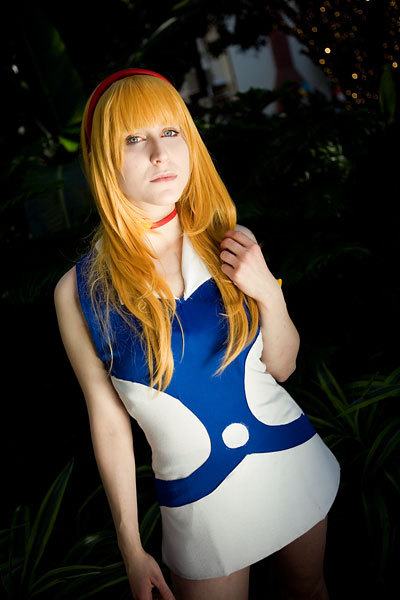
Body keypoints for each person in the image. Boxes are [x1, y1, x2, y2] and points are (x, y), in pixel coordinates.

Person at [54, 68, 340, 600]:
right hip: (196, 500)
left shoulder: (229, 240)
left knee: (308, 589)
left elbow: (283, 367)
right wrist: (131, 548)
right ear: (104, 160)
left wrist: (268, 292)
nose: (159, 154)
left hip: (286, 456)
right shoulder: (79, 291)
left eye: (171, 132)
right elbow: (109, 424)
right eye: (134, 139)